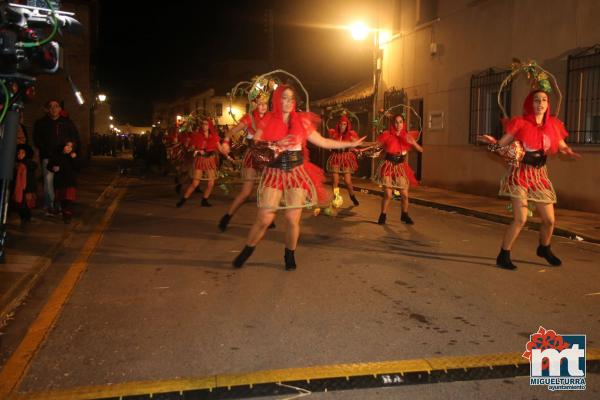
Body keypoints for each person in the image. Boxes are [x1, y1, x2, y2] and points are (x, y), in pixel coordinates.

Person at [232, 85, 365, 270]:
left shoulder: (302, 121)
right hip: (274, 172)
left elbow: (323, 141)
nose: (287, 102)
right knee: (264, 218)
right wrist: (275, 144)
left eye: (291, 99)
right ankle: (247, 250)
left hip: (296, 173)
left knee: (292, 219)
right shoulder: (268, 120)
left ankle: (289, 254)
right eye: (284, 98)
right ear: (277, 100)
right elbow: (256, 144)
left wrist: (350, 143)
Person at [479, 90, 580, 270]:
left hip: (540, 175)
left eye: (544, 100)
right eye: (536, 100)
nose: (540, 103)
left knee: (549, 220)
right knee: (521, 218)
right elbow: (501, 145)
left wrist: (567, 150)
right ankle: (503, 255)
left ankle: (544, 248)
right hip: (520, 173)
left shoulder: (553, 125)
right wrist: (491, 142)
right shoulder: (520, 123)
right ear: (529, 104)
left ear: (548, 104)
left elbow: (561, 144)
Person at [219, 94, 271, 231]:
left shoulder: (271, 117)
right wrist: (225, 143)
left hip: (268, 156)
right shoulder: (249, 118)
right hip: (253, 155)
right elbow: (231, 132)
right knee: (246, 192)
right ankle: (227, 217)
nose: (262, 106)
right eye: (259, 103)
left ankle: (268, 218)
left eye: (265, 104)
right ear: (254, 104)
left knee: (268, 190)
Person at [373, 114, 423, 225]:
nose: (398, 124)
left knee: (404, 195)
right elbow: (376, 145)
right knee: (388, 194)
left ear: (403, 123)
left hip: (400, 166)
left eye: (400, 122)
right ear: (393, 123)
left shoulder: (407, 136)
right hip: (388, 165)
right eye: (396, 122)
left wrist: (413, 142)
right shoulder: (387, 135)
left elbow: (421, 150)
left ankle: (404, 215)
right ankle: (383, 215)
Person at [33, 100, 80, 215]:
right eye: (50, 107)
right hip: (48, 157)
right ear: (46, 109)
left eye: (56, 106)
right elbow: (37, 140)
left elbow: (75, 138)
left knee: (61, 183)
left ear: (60, 109)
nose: (53, 109)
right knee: (48, 182)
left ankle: (60, 205)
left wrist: (71, 147)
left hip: (63, 158)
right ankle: (50, 206)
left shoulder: (67, 123)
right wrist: (48, 152)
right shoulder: (41, 123)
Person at [176, 118, 223, 208]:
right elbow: (192, 147)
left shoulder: (214, 136)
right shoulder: (197, 136)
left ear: (209, 126)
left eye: (206, 124)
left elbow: (220, 149)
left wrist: (228, 153)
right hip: (200, 160)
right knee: (195, 183)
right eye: (203, 124)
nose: (204, 125)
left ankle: (204, 200)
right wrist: (195, 149)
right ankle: (183, 200)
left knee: (211, 183)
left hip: (210, 160)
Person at [326, 115, 360, 206]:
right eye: (341, 124)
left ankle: (352, 196)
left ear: (347, 125)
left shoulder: (351, 134)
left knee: (347, 181)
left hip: (346, 158)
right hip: (336, 157)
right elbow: (329, 144)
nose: (342, 126)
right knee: (335, 181)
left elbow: (354, 145)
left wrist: (353, 147)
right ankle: (336, 198)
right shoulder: (333, 134)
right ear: (338, 125)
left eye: (344, 124)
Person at [47, 140, 80, 223]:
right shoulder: (57, 155)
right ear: (64, 146)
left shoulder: (73, 156)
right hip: (60, 181)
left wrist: (74, 159)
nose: (69, 148)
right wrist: (53, 168)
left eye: (71, 147)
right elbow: (49, 165)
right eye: (67, 146)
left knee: (68, 199)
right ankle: (64, 213)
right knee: (62, 199)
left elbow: (78, 167)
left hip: (70, 181)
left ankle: (67, 216)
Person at [12, 144, 37, 225]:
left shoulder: (29, 164)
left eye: (23, 153)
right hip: (18, 189)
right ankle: (24, 218)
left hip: (27, 188)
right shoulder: (15, 165)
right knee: (20, 205)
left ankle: (26, 218)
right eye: (19, 153)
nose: (20, 155)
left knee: (26, 205)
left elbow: (33, 167)